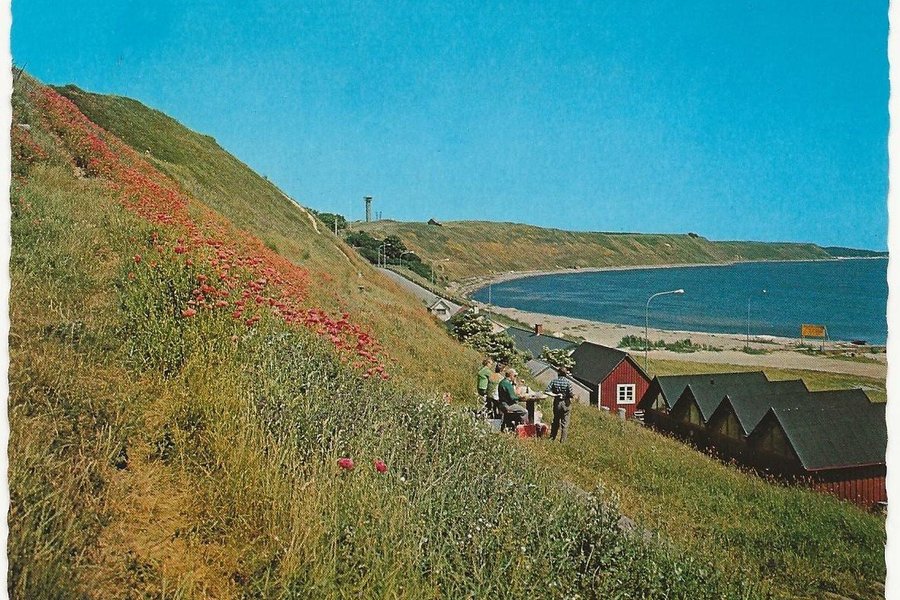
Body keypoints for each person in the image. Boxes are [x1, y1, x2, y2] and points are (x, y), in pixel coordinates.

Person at [546, 366, 574, 442]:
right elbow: (571, 394)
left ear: (558, 373)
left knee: (556, 420)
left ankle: (552, 438)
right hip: (566, 403)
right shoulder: (568, 383)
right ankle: (563, 441)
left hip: (557, 402)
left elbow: (547, 391)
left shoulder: (554, 381)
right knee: (565, 423)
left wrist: (555, 395)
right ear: (566, 374)